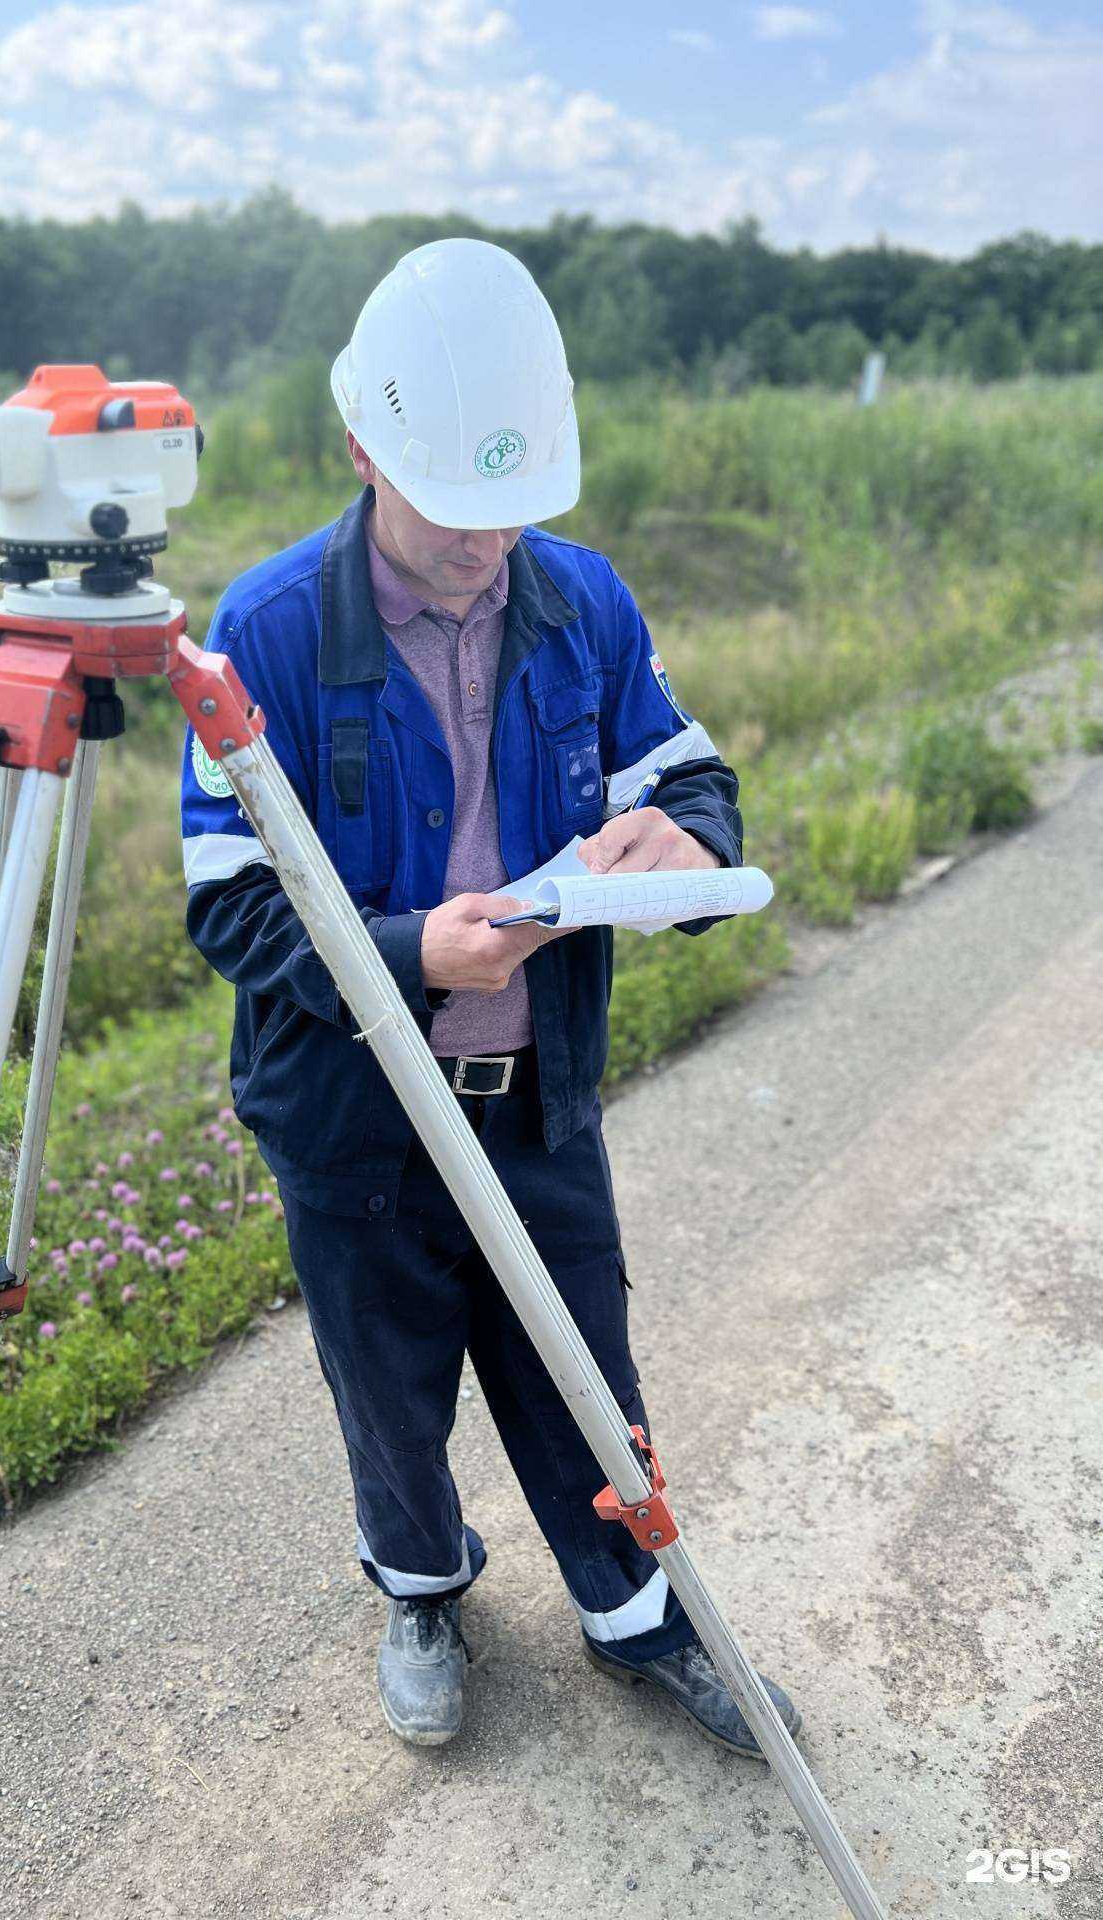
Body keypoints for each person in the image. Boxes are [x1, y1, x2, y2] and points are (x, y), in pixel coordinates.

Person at [179, 237, 799, 1753]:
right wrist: (410, 958)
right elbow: (229, 906)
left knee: (582, 1370)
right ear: (363, 450)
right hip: (354, 1125)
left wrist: (689, 836)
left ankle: (634, 1613)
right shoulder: (261, 635)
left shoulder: (581, 603)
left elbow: (693, 774)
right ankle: (421, 1582)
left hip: (537, 1104)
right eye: (458, 509)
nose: (488, 543)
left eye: (515, 507)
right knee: (388, 1390)